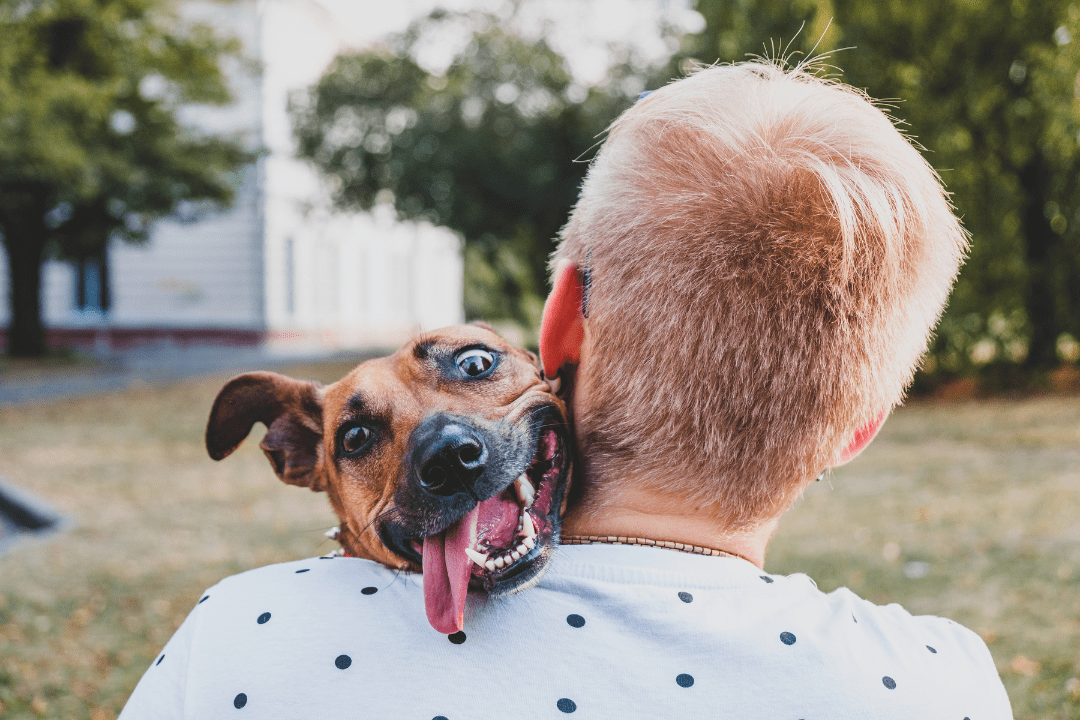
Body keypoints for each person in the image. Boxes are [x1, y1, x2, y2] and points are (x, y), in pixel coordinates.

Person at [119, 61, 1012, 719]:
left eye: (471, 368)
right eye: (361, 437)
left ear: (558, 329)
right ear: (862, 427)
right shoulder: (942, 681)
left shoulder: (241, 636)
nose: (446, 440)